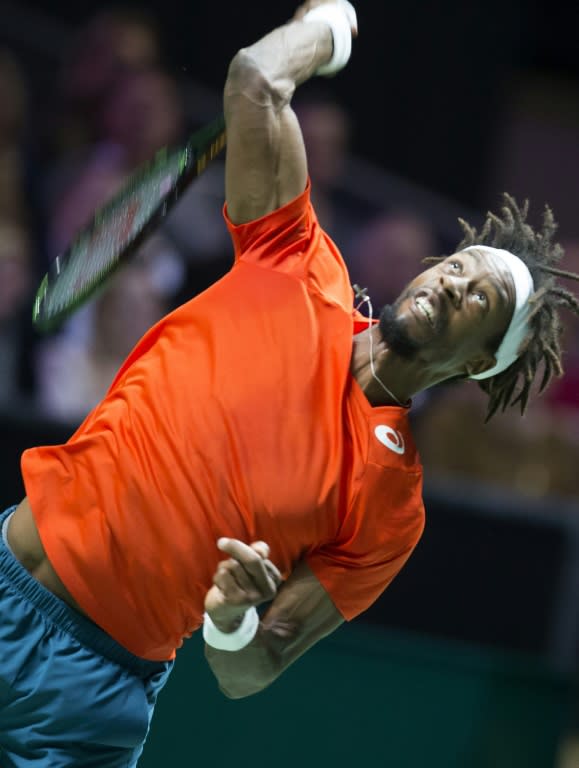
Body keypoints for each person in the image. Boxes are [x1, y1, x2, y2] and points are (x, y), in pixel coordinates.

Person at [1, 2, 579, 766]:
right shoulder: (297, 263)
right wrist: (330, 30)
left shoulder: (387, 506)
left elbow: (254, 668)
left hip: (88, 699)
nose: (451, 283)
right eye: (456, 266)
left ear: (479, 361)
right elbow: (256, 79)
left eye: (478, 299)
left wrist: (235, 619)